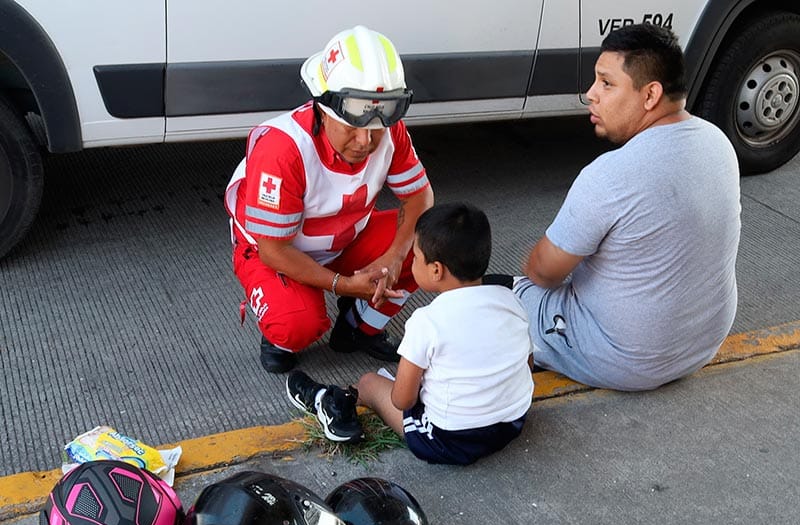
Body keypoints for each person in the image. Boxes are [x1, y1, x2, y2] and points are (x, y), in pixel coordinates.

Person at [505, 23, 741, 391]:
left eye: (606, 83)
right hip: (701, 345)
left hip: (626, 361)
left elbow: (542, 272)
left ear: (650, 95)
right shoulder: (718, 143)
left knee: (496, 297)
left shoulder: (610, 175)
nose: (590, 94)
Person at [224, 25, 434, 373]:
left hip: (346, 236)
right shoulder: (282, 149)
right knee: (296, 325)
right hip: (275, 250)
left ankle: (358, 326)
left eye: (377, 124)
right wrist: (342, 285)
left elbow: (419, 198)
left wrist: (394, 258)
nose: (365, 140)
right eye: (352, 124)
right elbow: (273, 250)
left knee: (431, 239)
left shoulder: (390, 130)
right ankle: (280, 326)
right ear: (323, 109)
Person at [287, 203, 534, 465]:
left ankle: (331, 401)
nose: (411, 263)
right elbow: (527, 366)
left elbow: (403, 400)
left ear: (436, 270)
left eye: (415, 257)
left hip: (449, 441)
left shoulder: (427, 321)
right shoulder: (511, 300)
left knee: (370, 383)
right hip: (512, 423)